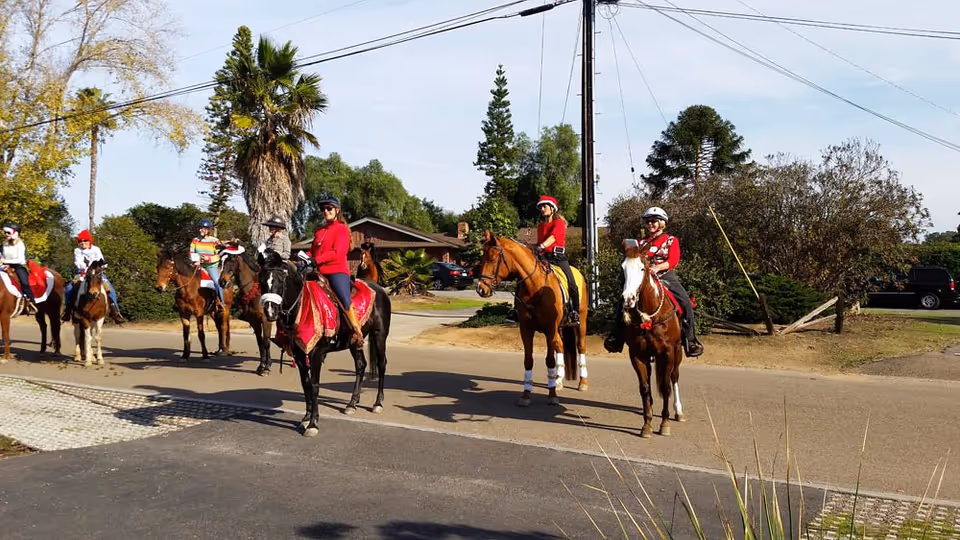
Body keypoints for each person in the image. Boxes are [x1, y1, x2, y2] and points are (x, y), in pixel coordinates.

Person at [603, 206, 704, 357]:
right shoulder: (639, 242)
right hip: (643, 278)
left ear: (662, 223)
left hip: (665, 276)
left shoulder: (671, 240)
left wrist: (657, 268)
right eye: (648, 221)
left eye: (654, 221)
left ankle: (690, 340)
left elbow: (673, 260)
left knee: (686, 303)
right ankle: (616, 337)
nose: (650, 224)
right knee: (622, 303)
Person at [506, 195, 581, 326]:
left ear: (552, 209)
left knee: (572, 282)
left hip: (558, 258)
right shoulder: (540, 226)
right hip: (543, 257)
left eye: (544, 206)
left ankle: (574, 312)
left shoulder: (559, 223)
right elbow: (540, 243)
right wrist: (531, 248)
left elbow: (552, 238)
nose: (542, 209)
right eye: (540, 207)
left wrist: (540, 246)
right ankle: (515, 310)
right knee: (522, 278)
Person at [310, 195, 364, 346]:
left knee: (344, 300)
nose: (325, 211)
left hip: (336, 271)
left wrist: (316, 260)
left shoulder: (341, 230)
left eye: (329, 208)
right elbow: (312, 251)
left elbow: (337, 253)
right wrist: (305, 258)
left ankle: (357, 332)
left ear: (337, 210)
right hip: (318, 271)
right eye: (323, 209)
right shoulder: (319, 231)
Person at [61, 230, 124, 324]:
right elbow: (78, 262)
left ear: (89, 241)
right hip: (82, 273)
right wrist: (87, 268)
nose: (83, 243)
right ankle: (68, 311)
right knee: (69, 289)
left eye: (85, 240)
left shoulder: (96, 249)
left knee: (110, 290)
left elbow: (102, 261)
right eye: (80, 241)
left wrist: (100, 267)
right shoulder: (77, 250)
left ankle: (116, 312)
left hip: (97, 274)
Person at [0, 223, 37, 315]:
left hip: (18, 266)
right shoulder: (4, 244)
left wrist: (5, 261)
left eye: (8, 232)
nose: (6, 234)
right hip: (4, 266)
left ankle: (31, 302)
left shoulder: (20, 244)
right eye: (5, 232)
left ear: (15, 233)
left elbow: (20, 259)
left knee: (24, 283)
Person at [189, 219, 225, 311]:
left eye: (203, 229)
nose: (201, 230)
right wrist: (195, 261)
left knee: (217, 283)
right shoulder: (195, 240)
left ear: (208, 230)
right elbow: (191, 253)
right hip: (198, 266)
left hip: (211, 266)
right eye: (200, 228)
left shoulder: (215, 241)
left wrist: (208, 259)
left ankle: (221, 302)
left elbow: (219, 255)